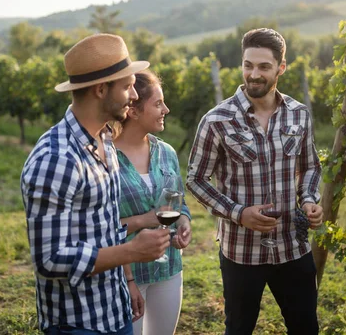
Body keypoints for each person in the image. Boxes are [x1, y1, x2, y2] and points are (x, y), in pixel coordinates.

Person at [21, 33, 171, 335]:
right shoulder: (56, 159)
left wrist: (127, 281)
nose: (134, 95)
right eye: (128, 86)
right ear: (101, 90)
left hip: (114, 309)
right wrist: (131, 252)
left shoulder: (104, 140)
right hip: (79, 322)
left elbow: (104, 226)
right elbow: (49, 260)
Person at [186, 28, 324, 335]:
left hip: (293, 245)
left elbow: (310, 167)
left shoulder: (299, 115)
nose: (254, 74)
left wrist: (310, 199)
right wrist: (239, 213)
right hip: (241, 251)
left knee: (306, 327)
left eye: (263, 66)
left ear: (281, 68)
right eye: (248, 65)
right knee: (239, 329)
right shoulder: (217, 120)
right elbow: (195, 179)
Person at [113, 69, 192, 335]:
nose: (166, 109)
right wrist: (145, 220)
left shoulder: (166, 153)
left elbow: (178, 203)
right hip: (126, 274)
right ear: (133, 111)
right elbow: (101, 225)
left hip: (169, 267)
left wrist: (184, 223)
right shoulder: (106, 159)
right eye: (158, 103)